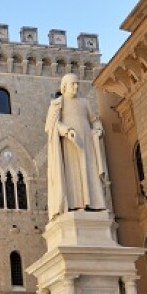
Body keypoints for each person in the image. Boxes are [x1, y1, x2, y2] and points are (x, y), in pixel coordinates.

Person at [44, 73, 109, 219]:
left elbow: (94, 119)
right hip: (70, 144)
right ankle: (76, 205)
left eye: (77, 84)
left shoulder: (85, 102)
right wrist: (66, 131)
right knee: (73, 175)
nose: (76, 87)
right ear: (64, 87)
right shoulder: (58, 103)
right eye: (73, 84)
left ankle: (95, 205)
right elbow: (52, 126)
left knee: (90, 172)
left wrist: (98, 129)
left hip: (87, 143)